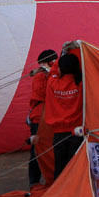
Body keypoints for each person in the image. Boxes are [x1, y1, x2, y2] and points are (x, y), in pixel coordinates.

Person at [41, 44, 83, 179]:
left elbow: (53, 71)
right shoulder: (81, 84)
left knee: (60, 168)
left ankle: (59, 195)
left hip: (59, 134)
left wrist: (63, 54)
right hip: (77, 133)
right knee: (76, 168)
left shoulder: (52, 83)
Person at [27, 48, 57, 190]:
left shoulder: (48, 74)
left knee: (48, 148)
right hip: (39, 117)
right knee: (38, 149)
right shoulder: (41, 76)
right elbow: (44, 93)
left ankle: (50, 177)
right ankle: (34, 181)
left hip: (47, 116)